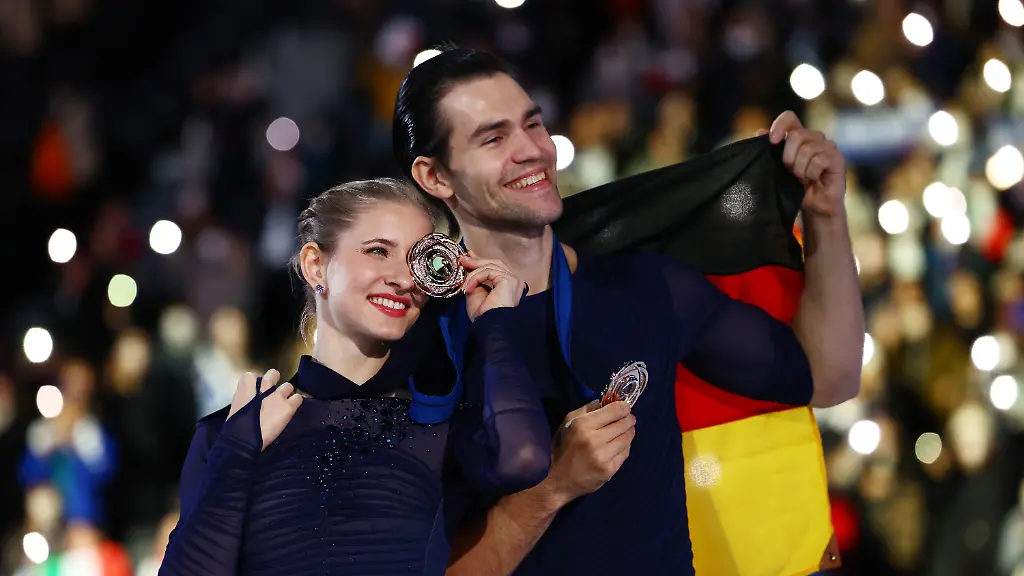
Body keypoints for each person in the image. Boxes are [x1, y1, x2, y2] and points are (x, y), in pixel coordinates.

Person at [391, 46, 864, 575]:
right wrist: (553, 488)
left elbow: (827, 376)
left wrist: (826, 215)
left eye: (533, 124)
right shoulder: (418, 347)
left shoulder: (646, 286)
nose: (532, 151)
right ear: (435, 177)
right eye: (494, 138)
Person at [158, 178, 552, 576]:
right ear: (316, 264)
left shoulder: (438, 429)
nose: (403, 279)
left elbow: (526, 459)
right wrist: (237, 452)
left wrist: (497, 323)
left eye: (417, 261)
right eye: (378, 251)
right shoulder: (232, 432)